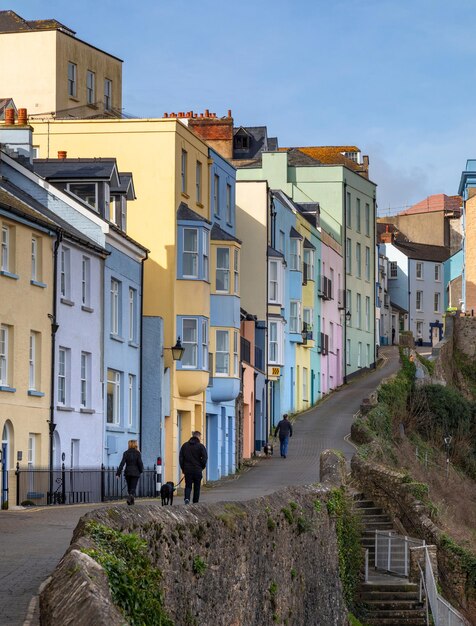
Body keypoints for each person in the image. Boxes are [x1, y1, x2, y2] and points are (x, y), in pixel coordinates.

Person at [179, 431, 208, 504]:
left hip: (188, 470)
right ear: (198, 437)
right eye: (200, 437)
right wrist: (202, 467)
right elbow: (205, 458)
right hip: (197, 470)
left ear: (192, 436)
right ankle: (195, 502)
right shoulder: (201, 446)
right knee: (197, 487)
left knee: (188, 486)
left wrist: (183, 468)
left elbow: (181, 458)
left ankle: (187, 498)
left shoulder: (184, 446)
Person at [116, 440, 144, 505]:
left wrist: (118, 473)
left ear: (129, 445)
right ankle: (130, 498)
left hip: (128, 472)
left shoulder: (125, 453)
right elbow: (140, 463)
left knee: (129, 488)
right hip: (135, 473)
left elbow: (122, 463)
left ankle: (131, 502)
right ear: (135, 445)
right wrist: (141, 470)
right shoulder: (138, 453)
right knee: (133, 487)